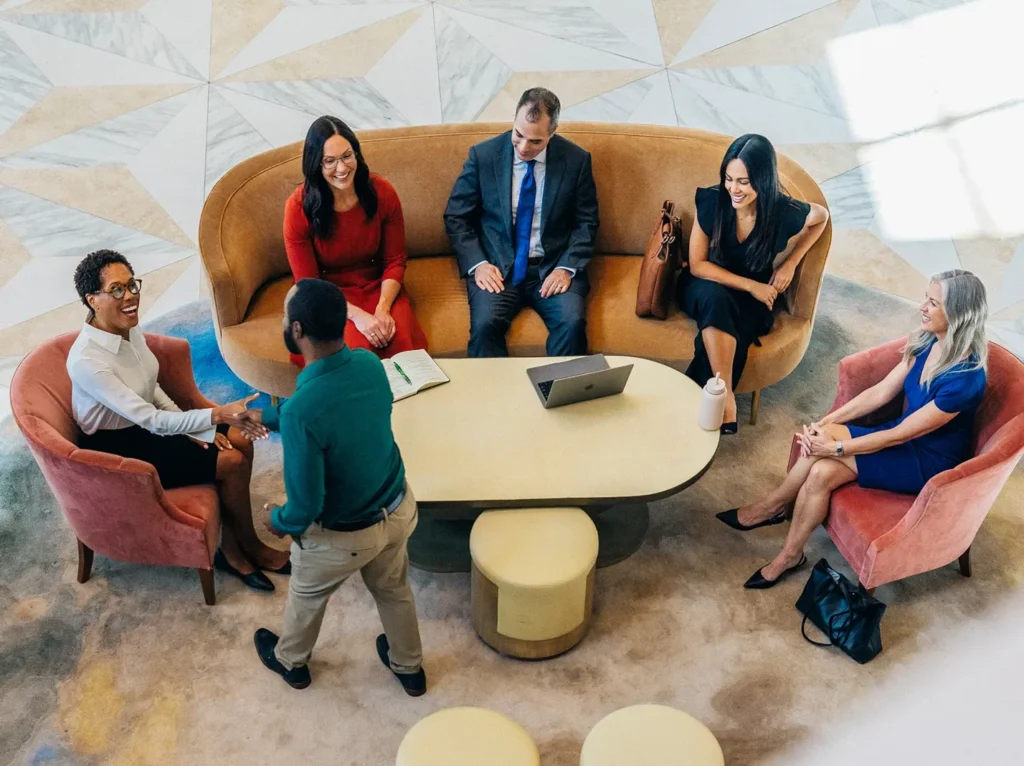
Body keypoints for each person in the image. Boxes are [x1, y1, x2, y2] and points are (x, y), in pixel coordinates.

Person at [718, 270, 989, 589]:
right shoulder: (928, 339)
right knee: (822, 440)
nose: (922, 308)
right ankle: (776, 506)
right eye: (926, 299)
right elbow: (881, 392)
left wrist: (834, 449)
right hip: (901, 433)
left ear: (958, 314)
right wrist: (828, 422)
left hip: (926, 460)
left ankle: (787, 551)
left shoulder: (966, 379)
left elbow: (900, 436)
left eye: (932, 303)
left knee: (821, 469)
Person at [67, 249, 289, 592]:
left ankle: (233, 546)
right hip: (118, 448)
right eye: (116, 290)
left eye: (132, 285)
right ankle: (250, 548)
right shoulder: (88, 361)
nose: (130, 297)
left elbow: (151, 387)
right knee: (230, 461)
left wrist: (195, 425)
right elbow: (149, 419)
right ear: (92, 300)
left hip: (148, 424)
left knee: (241, 440)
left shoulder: (127, 329)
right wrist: (215, 415)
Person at [251, 279, 425, 694]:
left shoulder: (303, 413)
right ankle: (410, 667)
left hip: (345, 536)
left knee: (306, 596)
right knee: (393, 589)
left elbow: (305, 507)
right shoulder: (367, 363)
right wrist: (266, 417)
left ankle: (291, 662)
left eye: (284, 314)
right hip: (399, 509)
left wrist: (278, 521)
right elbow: (334, 411)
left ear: (297, 331)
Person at [678, 134, 829, 434]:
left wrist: (791, 263)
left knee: (734, 326)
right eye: (729, 178)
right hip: (705, 284)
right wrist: (751, 285)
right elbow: (698, 265)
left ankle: (688, 420)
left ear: (763, 179)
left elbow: (821, 217)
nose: (733, 188)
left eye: (744, 182)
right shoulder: (711, 202)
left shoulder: (784, 212)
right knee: (715, 300)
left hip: (751, 301)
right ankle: (727, 398)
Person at [444, 87, 599, 357]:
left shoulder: (576, 160)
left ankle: (560, 397)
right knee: (484, 327)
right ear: (514, 121)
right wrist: (478, 264)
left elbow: (587, 222)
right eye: (518, 135)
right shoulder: (484, 156)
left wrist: (565, 268)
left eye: (536, 141)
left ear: (553, 132)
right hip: (498, 267)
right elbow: (456, 216)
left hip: (551, 267)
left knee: (572, 325)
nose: (524, 148)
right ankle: (494, 399)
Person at [283, 115, 427, 368]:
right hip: (327, 296)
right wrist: (358, 317)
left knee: (402, 342)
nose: (341, 168)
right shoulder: (298, 207)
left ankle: (409, 407)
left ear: (357, 154)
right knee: (355, 353)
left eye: (347, 156)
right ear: (316, 164)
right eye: (329, 161)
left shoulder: (382, 191)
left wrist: (382, 309)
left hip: (379, 286)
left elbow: (395, 260)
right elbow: (309, 283)